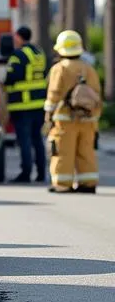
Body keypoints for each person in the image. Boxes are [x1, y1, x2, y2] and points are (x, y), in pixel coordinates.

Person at [44, 30, 102, 193]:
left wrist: (48, 115)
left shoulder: (59, 69)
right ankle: (88, 183)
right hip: (88, 119)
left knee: (63, 152)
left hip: (65, 119)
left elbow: (54, 94)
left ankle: (63, 184)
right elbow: (97, 93)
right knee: (86, 152)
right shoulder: (88, 68)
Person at [3, 25, 49, 183]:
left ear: (18, 37)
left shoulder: (18, 55)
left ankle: (26, 173)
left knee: (25, 141)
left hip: (22, 105)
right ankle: (42, 172)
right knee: (37, 139)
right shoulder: (39, 53)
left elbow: (10, 77)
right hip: (39, 105)